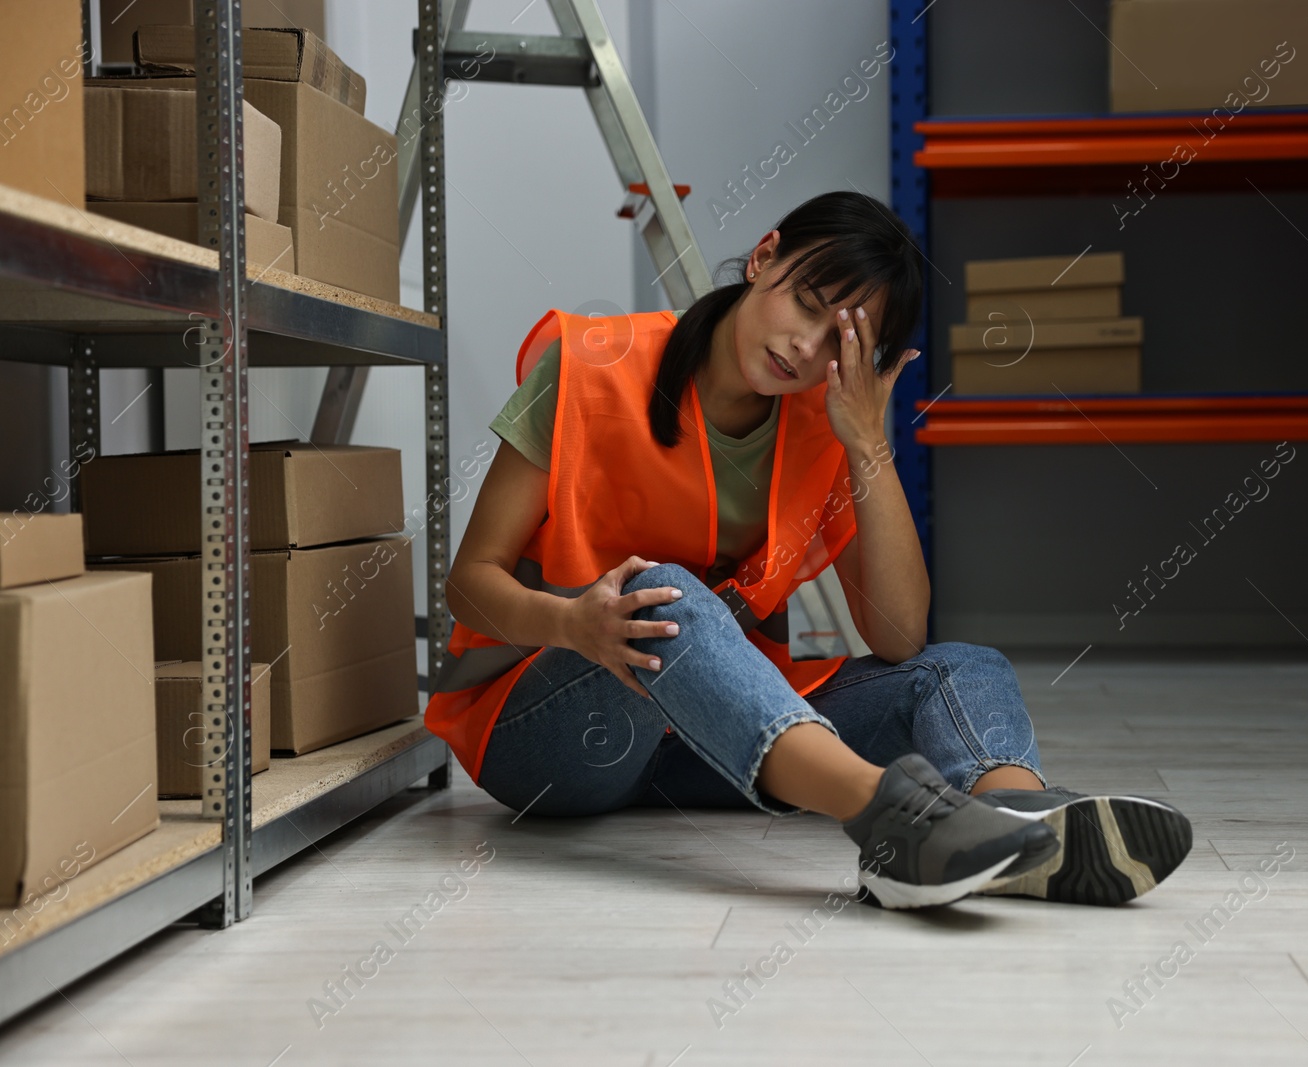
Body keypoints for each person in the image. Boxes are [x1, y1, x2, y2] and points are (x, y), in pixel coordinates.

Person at [425, 190, 1192, 909]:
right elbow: (469, 583)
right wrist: (574, 626)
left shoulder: (820, 429)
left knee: (962, 667)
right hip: (546, 729)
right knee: (665, 595)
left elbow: (898, 634)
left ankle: (1017, 828)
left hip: (702, 740)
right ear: (763, 258)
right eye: (807, 303)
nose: (804, 344)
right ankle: (895, 824)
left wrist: (866, 442)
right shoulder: (590, 365)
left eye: (840, 339)